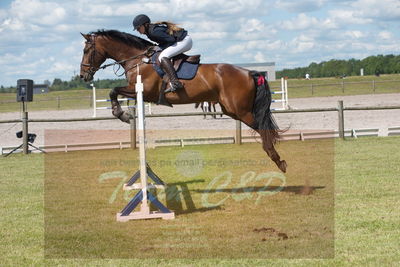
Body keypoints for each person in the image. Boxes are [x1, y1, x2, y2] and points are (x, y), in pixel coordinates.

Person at [132, 14, 193, 92]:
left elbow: (171, 40)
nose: (138, 31)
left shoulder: (154, 32)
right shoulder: (150, 32)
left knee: (162, 57)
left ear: (145, 25)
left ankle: (175, 82)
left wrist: (158, 48)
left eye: (138, 28)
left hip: (184, 41)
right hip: (180, 41)